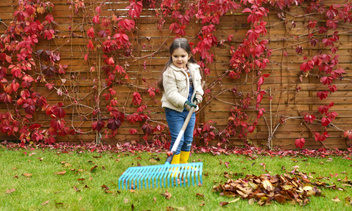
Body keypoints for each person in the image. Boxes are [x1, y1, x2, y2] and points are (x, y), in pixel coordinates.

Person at [158, 38, 204, 165]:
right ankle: (174, 167)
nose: (179, 59)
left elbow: (198, 86)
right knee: (178, 139)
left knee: (188, 139)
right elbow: (171, 94)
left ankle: (183, 164)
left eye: (182, 56)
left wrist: (199, 95)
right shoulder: (169, 73)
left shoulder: (194, 69)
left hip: (190, 111)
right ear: (171, 56)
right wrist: (185, 103)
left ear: (189, 56)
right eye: (175, 56)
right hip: (175, 110)